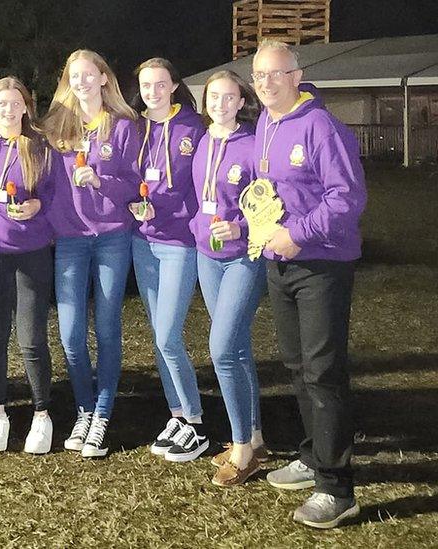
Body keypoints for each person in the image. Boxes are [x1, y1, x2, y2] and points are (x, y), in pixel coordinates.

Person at [251, 39, 366, 529]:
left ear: (297, 76)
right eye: (258, 76)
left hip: (321, 265)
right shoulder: (265, 123)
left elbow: (348, 197)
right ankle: (313, 455)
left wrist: (297, 233)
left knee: (323, 372)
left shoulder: (320, 125)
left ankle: (337, 489)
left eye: (275, 74)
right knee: (297, 367)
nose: (266, 83)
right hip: (279, 263)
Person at [40, 50, 140, 458]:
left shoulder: (123, 126)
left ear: (103, 78)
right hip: (70, 239)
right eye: (73, 75)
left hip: (113, 237)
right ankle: (83, 408)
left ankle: (101, 414)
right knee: (71, 334)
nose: (81, 81)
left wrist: (101, 180)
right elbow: (40, 180)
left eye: (88, 74)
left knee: (107, 327)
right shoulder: (56, 127)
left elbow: (134, 182)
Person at [128, 57, 210, 463]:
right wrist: (132, 204)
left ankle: (196, 424)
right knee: (161, 340)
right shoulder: (135, 127)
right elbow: (127, 177)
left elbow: (206, 180)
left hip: (180, 243)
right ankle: (176, 415)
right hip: (143, 242)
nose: (153, 92)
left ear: (175, 85)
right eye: (146, 85)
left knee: (168, 336)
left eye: (160, 84)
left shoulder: (193, 127)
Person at [189, 70, 268, 486]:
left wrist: (239, 226)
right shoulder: (203, 142)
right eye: (213, 97)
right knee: (237, 348)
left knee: (221, 349)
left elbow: (271, 201)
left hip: (243, 257)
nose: (220, 104)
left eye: (228, 97)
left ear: (241, 101)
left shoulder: (253, 144)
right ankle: (254, 436)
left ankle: (241, 450)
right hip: (207, 254)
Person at [0, 77, 56, 455]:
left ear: (26, 107)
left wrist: (38, 205)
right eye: (0, 103)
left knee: (31, 337)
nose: (8, 109)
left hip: (32, 250)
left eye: (15, 103)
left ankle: (41, 413)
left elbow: (56, 193)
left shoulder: (40, 146)